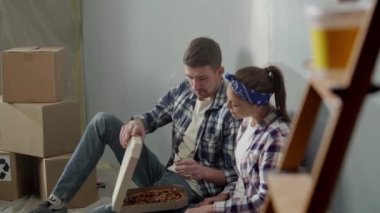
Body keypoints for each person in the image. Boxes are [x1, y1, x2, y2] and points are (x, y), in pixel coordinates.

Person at [30, 37, 241, 213]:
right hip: (163, 172)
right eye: (190, 77)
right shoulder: (184, 91)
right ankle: (55, 203)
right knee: (103, 121)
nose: (195, 86)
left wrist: (203, 172)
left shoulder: (233, 110)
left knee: (112, 210)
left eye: (202, 78)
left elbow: (238, 174)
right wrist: (138, 123)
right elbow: (153, 115)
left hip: (190, 190)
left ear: (220, 71)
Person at [185, 65, 291, 213]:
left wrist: (213, 209)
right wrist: (223, 195)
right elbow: (243, 176)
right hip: (237, 203)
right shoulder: (248, 121)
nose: (227, 106)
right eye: (228, 100)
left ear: (257, 105)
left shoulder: (277, 138)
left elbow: (265, 202)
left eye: (234, 104)